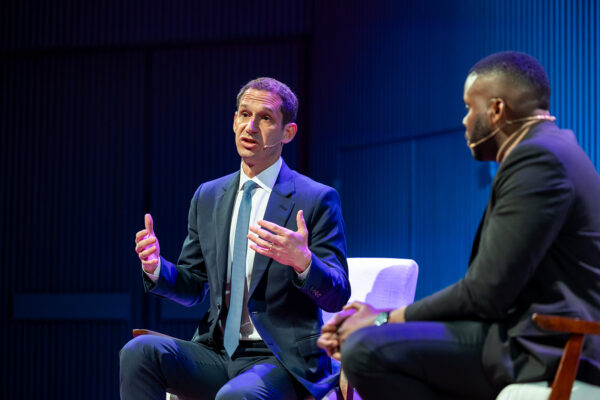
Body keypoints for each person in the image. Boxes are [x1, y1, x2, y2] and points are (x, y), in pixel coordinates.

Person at [318, 51, 600, 399]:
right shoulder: (552, 150)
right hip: (522, 335)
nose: (464, 120)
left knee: (367, 349)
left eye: (470, 107)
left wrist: (381, 320)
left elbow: (484, 294)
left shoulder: (537, 160)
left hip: (543, 346)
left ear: (496, 110)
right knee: (372, 342)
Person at [120, 77, 350, 400]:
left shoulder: (316, 199)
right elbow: (194, 285)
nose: (250, 126)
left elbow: (338, 294)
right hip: (217, 353)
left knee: (234, 396)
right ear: (234, 121)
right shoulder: (209, 196)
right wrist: (157, 268)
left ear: (288, 133)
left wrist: (304, 263)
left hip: (280, 361)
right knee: (139, 352)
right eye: (244, 114)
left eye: (265, 118)